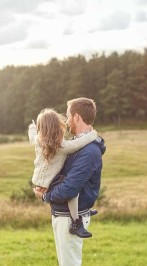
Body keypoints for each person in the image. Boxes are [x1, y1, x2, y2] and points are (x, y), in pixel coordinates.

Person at [33, 97, 106, 266]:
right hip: (63, 214)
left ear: (77, 117)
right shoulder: (77, 145)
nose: (66, 121)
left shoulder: (89, 151)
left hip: (70, 219)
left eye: (67, 116)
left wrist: (45, 197)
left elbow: (69, 189)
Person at [28, 108, 98, 238]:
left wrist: (32, 127)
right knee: (72, 191)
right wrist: (93, 135)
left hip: (39, 180)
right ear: (57, 127)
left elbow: (32, 136)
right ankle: (76, 221)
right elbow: (79, 143)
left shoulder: (38, 140)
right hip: (47, 183)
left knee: (70, 181)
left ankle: (84, 211)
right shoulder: (61, 147)